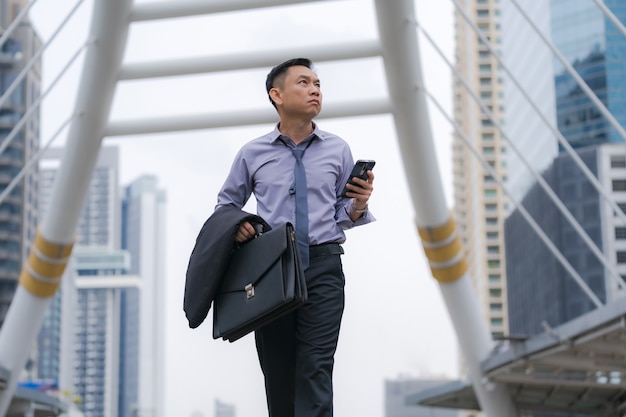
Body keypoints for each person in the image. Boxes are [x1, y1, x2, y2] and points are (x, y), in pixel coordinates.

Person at [215, 57, 375, 417]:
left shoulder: (338, 149)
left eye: (318, 83)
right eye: (303, 82)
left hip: (323, 266)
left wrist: (358, 205)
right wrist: (240, 224)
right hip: (272, 269)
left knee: (317, 366)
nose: (315, 89)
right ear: (277, 94)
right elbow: (226, 205)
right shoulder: (252, 153)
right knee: (278, 372)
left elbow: (341, 212)